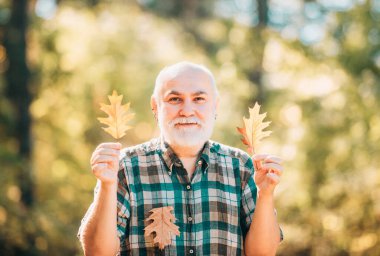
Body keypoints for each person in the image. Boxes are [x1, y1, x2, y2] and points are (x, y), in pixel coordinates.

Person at [78, 61, 284, 255]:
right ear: (155, 106)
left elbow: (262, 253)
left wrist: (265, 194)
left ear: (215, 106)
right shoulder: (125, 167)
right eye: (174, 99)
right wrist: (106, 184)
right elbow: (97, 252)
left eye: (199, 99)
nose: (186, 111)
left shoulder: (242, 166)